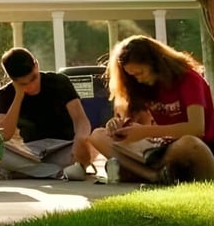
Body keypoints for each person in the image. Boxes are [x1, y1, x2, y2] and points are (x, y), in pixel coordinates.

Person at [89, 35, 214, 184]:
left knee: (189, 143)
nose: (138, 79)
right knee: (98, 135)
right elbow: (133, 123)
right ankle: (152, 176)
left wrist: (145, 131)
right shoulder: (142, 87)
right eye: (132, 75)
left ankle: (135, 171)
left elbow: (196, 128)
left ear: (155, 63)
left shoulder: (189, 79)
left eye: (140, 73)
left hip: (197, 147)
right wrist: (118, 127)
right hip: (160, 148)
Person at [0, 47, 93, 178]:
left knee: (90, 144)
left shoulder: (59, 81)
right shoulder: (4, 94)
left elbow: (80, 119)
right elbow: (3, 136)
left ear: (36, 65)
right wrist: (18, 96)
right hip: (31, 151)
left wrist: (80, 139)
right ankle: (57, 173)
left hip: (64, 146)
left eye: (33, 78)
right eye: (23, 84)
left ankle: (30, 171)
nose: (30, 86)